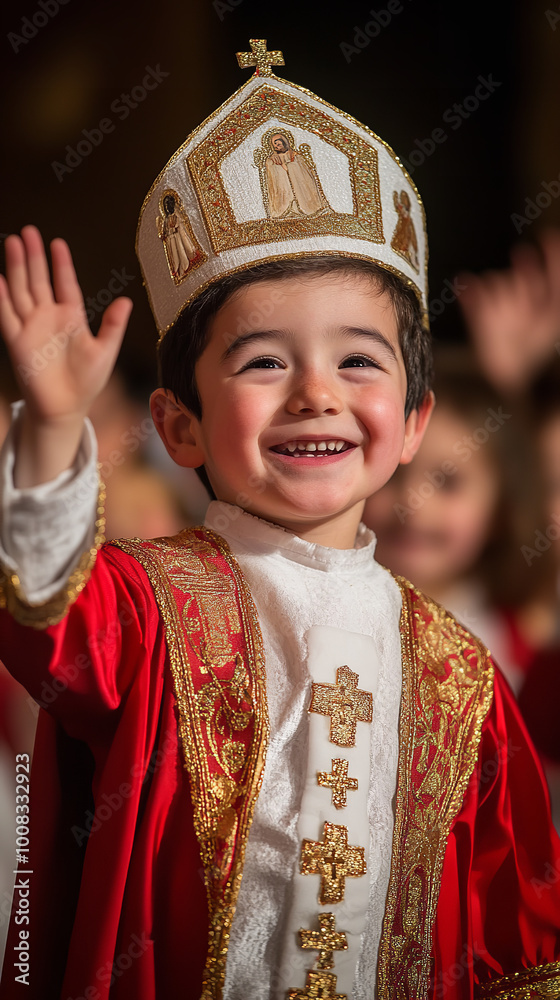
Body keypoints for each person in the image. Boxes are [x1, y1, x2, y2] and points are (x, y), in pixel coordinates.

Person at [0, 41, 560, 1000]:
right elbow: (50, 622)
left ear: (415, 420)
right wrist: (54, 426)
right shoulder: (147, 605)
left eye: (358, 361)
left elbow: (520, 949)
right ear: (178, 425)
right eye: (262, 362)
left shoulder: (463, 680)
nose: (314, 394)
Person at [364, 347, 557, 695]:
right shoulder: (331, 610)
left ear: (501, 510)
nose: (412, 502)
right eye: (392, 474)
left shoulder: (522, 641)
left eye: (447, 482)